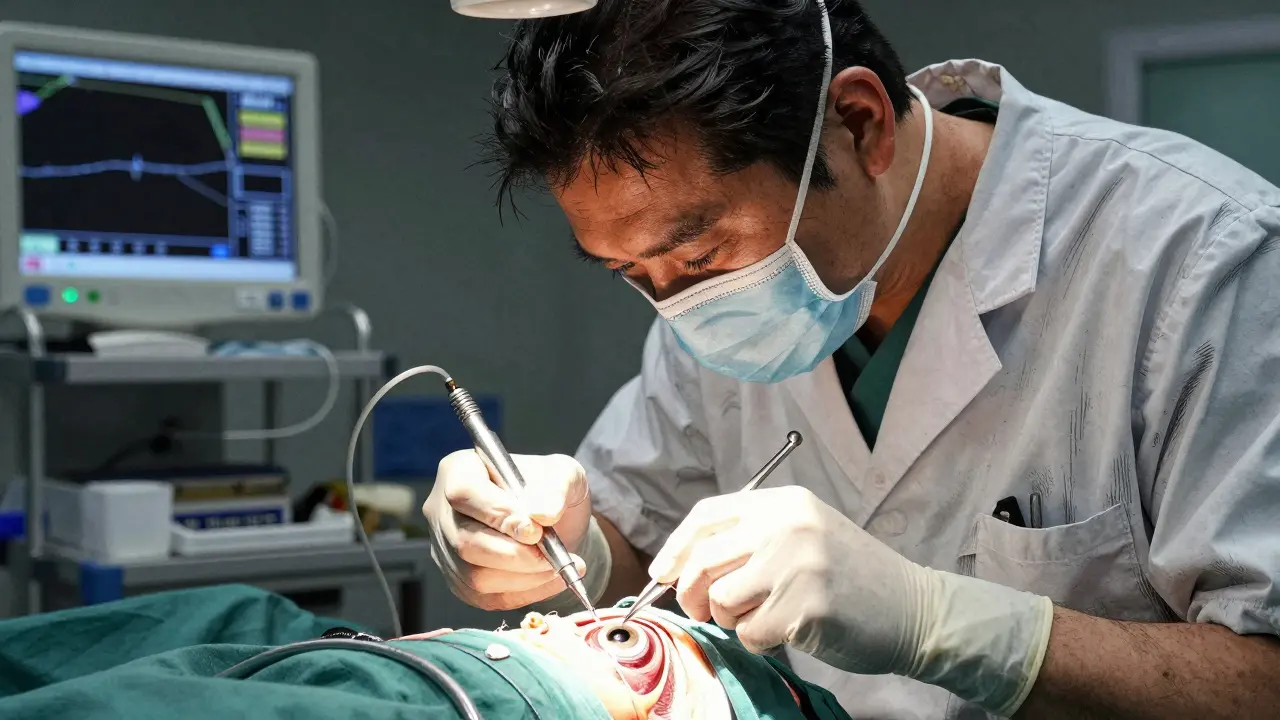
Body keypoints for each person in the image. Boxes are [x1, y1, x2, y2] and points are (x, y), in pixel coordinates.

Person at [423, 0, 1280, 717]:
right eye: (629, 274)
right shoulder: (701, 301)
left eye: (700, 257)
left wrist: (945, 623)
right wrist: (568, 546)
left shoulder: (1202, 260)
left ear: (859, 125)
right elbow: (641, 532)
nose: (676, 302)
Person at [0, 584, 847, 720]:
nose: (552, 620)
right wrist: (586, 537)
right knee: (234, 615)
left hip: (468, 701)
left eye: (626, 639)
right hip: (393, 654)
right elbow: (631, 506)